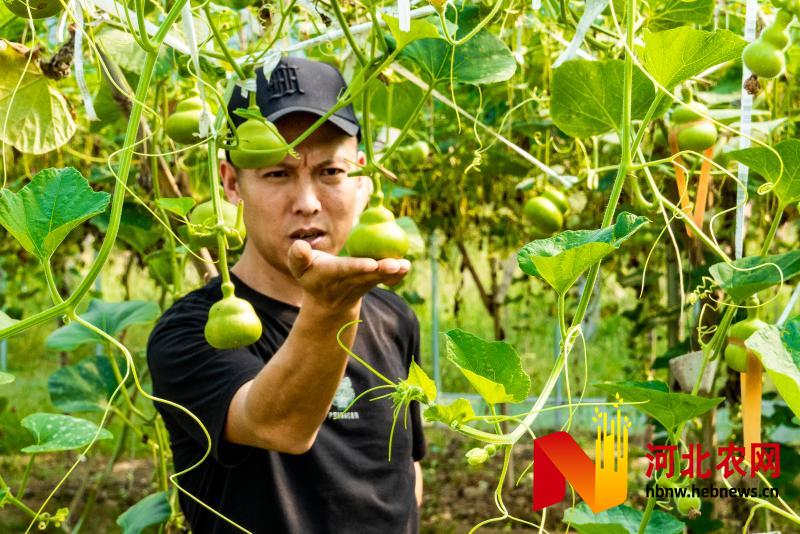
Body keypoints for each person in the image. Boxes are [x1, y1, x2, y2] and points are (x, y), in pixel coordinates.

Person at [146, 56, 426, 533]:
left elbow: (405, 466)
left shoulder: (393, 316)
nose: (308, 202)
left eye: (331, 172)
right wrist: (333, 304)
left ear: (362, 175)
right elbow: (280, 427)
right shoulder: (192, 333)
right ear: (232, 183)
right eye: (277, 173)